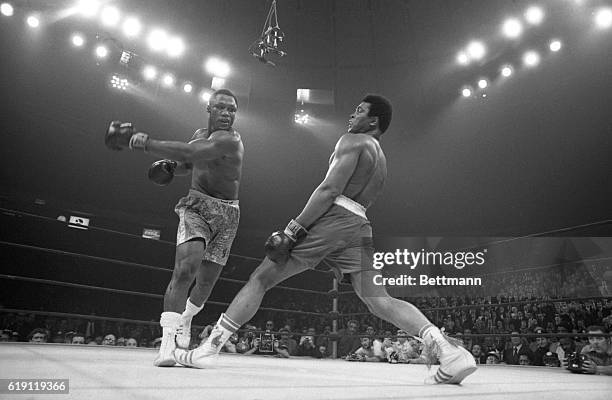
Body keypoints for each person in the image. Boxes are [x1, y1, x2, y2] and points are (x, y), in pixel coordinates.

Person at [174, 94, 476, 384]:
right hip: (359, 224)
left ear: (373, 121)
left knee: (261, 278)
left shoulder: (351, 141)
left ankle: (208, 349)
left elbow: (329, 190)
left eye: (359, 110)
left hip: (333, 220)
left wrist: (294, 228)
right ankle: (450, 352)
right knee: (379, 300)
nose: (352, 114)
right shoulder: (380, 157)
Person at [104, 89, 243, 366]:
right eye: (221, 108)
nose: (227, 114)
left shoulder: (230, 140)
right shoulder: (198, 134)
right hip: (196, 207)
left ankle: (187, 319)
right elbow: (187, 162)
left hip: (228, 214)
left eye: (231, 109)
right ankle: (166, 346)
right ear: (209, 109)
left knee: (204, 284)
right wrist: (170, 166)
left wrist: (144, 143)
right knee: (184, 271)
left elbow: (192, 152)